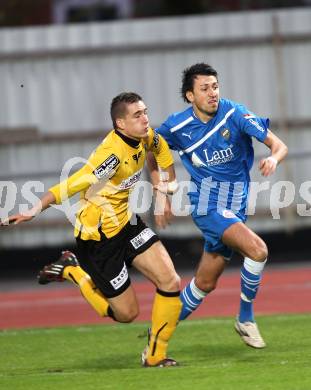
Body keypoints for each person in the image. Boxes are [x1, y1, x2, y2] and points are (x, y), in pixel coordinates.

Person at [2, 92, 182, 367]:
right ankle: (73, 270)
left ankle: (156, 356)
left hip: (127, 223)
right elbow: (71, 185)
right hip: (99, 238)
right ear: (120, 124)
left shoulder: (146, 135)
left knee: (170, 281)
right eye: (137, 115)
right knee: (126, 314)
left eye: (145, 112)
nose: (146, 119)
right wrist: (33, 210)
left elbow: (161, 152)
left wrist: (163, 193)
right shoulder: (109, 158)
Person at [147, 63, 288, 348]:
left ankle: (156, 337)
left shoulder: (235, 113)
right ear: (190, 96)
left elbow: (279, 145)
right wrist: (160, 189)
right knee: (258, 250)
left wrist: (273, 158)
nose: (212, 93)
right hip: (207, 205)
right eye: (204, 89)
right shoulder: (177, 126)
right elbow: (152, 148)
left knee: (204, 284)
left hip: (235, 208)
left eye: (215, 86)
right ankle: (245, 318)